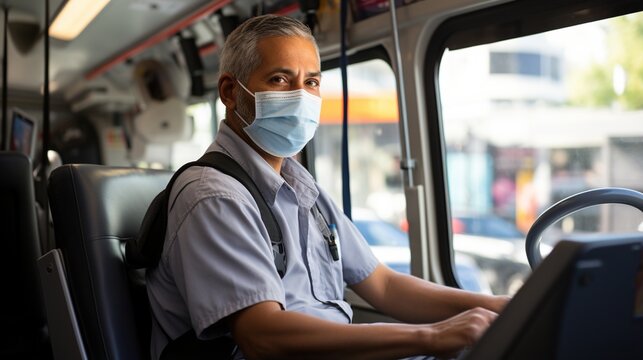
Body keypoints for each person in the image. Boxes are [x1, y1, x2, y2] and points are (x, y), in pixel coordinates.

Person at [146, 14, 509, 360]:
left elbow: (382, 285)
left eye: (311, 82)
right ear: (229, 91)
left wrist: (494, 306)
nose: (301, 96)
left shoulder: (302, 189)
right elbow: (263, 337)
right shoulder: (213, 196)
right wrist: (432, 336)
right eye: (280, 80)